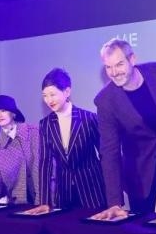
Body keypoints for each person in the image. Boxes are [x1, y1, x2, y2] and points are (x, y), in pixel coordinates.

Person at [91, 39, 156, 221]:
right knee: (142, 230)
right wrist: (114, 202)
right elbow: (109, 151)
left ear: (132, 59)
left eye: (119, 64)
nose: (114, 72)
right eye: (108, 67)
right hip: (139, 173)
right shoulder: (105, 101)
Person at [26, 68, 106, 215]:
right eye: (45, 96)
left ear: (67, 91)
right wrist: (44, 202)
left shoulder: (88, 118)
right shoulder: (45, 124)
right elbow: (45, 163)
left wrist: (113, 193)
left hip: (93, 189)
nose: (49, 100)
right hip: (64, 193)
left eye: (52, 94)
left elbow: (105, 155)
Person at [0, 95, 40, 211]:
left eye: (3, 110)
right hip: (18, 204)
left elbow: (49, 166)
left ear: (13, 114)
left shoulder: (34, 132)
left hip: (45, 200)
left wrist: (47, 198)